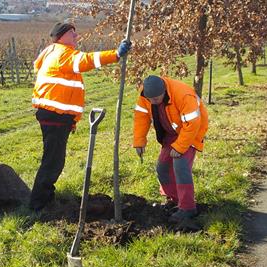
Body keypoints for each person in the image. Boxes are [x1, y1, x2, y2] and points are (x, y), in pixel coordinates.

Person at [29, 22, 131, 212]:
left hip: (56, 115)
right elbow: (86, 60)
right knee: (53, 161)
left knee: (53, 159)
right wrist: (115, 55)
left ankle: (43, 198)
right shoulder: (63, 54)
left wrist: (72, 120)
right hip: (55, 115)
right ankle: (39, 203)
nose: (77, 37)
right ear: (60, 36)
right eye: (72, 34)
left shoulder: (52, 51)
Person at [133, 75, 208, 222]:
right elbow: (141, 116)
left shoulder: (183, 94)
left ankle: (187, 208)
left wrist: (180, 147)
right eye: (150, 99)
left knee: (180, 166)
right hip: (170, 133)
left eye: (156, 98)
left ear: (164, 90)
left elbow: (193, 124)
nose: (153, 102)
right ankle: (174, 200)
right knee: (162, 168)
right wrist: (139, 141)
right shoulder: (145, 94)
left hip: (190, 132)